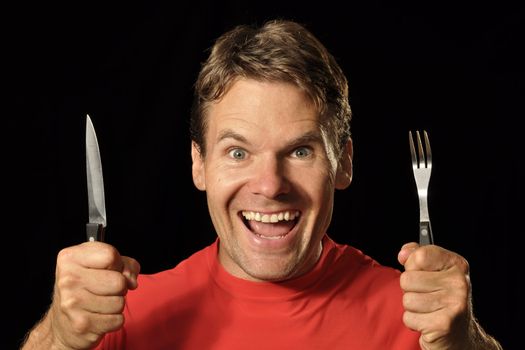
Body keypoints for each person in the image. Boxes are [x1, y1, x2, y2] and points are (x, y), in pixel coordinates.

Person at [21, 19, 502, 350]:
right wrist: (59, 337)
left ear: (343, 164)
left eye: (299, 151)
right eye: (238, 152)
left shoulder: (420, 316)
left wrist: (467, 345)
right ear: (199, 165)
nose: (270, 185)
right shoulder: (120, 313)